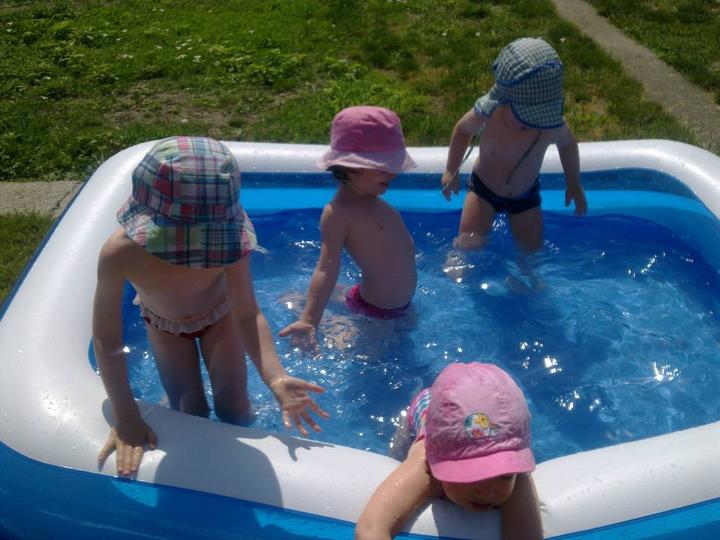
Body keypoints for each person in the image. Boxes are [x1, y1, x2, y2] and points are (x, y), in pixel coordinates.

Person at [93, 136, 329, 476]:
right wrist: (126, 416)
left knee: (235, 409)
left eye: (202, 241)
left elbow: (247, 314)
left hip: (220, 319)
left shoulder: (230, 242)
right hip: (164, 327)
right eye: (180, 239)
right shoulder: (120, 253)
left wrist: (275, 377)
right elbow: (106, 340)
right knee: (189, 411)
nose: (194, 250)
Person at [279, 106, 418, 350]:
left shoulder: (377, 203)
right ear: (349, 168)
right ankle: (311, 312)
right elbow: (327, 268)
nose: (393, 174)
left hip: (401, 306)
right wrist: (310, 320)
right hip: (374, 311)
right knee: (363, 356)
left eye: (393, 165)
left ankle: (302, 297)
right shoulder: (338, 213)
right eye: (383, 167)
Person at [355, 362, 543, 540]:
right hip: (425, 409)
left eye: (504, 477)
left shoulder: (514, 468)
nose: (489, 493)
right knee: (397, 457)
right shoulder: (426, 466)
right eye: (475, 475)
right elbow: (370, 529)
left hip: (479, 418)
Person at [441, 37, 587, 253]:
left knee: (532, 251)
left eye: (538, 116)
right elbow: (463, 131)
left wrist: (573, 184)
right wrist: (451, 169)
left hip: (525, 196)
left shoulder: (548, 126)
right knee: (469, 243)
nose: (532, 123)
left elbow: (567, 146)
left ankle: (527, 271)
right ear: (503, 100)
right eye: (526, 116)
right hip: (483, 191)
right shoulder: (488, 115)